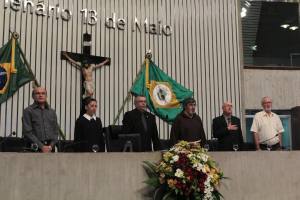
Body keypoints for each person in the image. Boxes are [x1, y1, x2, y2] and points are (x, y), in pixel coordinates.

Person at [22, 87, 59, 153]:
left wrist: (51, 146)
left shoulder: (52, 112)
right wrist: (41, 146)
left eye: (43, 93)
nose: (40, 95)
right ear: (33, 96)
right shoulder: (28, 111)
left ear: (46, 96)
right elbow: (27, 132)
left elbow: (56, 132)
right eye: (37, 93)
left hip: (50, 148)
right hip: (34, 148)